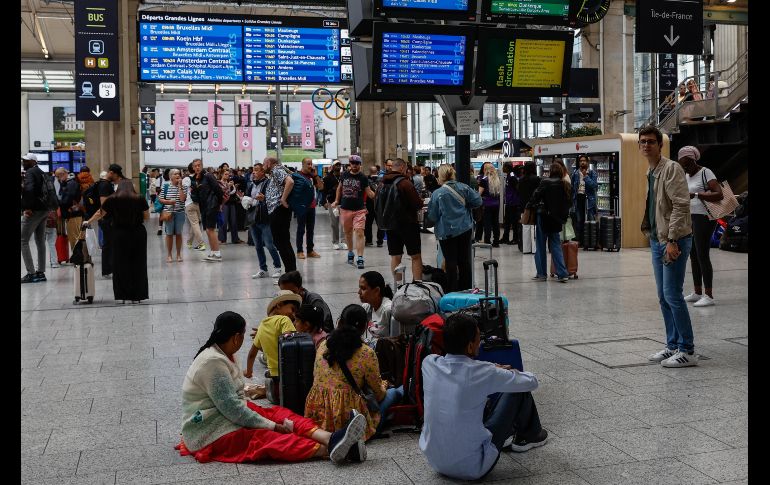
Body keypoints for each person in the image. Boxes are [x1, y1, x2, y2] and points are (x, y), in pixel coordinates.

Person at [177, 311, 368, 465]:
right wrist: (271, 426)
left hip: (225, 414)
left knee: (279, 414)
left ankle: (329, 437)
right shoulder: (213, 362)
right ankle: (331, 449)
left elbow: (232, 402)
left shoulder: (221, 354)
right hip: (210, 428)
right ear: (236, 337)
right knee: (264, 437)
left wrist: (271, 420)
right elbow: (232, 409)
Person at [419, 313, 548, 481]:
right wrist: (506, 372)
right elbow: (531, 382)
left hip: (435, 461)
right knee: (517, 391)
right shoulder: (483, 372)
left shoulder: (429, 363)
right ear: (470, 346)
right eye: (479, 338)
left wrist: (492, 369)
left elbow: (462, 373)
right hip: (473, 467)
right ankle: (531, 435)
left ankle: (512, 434)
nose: (480, 342)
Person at [638, 126, 697, 368]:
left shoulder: (671, 168)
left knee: (673, 294)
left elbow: (681, 206)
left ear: (660, 145)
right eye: (642, 142)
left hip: (674, 239)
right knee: (663, 296)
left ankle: (687, 350)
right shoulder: (651, 171)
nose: (646, 145)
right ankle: (672, 344)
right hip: (657, 239)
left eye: (651, 141)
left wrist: (672, 240)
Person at [305, 304, 404, 441]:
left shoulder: (323, 345)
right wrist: (385, 385)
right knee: (397, 391)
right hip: (349, 417)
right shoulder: (366, 353)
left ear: (339, 322)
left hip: (318, 417)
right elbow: (379, 394)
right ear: (364, 328)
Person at [83, 179, 149, 303]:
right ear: (132, 187)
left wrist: (88, 221)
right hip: (137, 233)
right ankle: (138, 296)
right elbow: (146, 216)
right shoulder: (139, 198)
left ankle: (122, 296)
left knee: (120, 264)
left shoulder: (112, 198)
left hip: (119, 233)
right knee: (138, 263)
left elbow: (100, 213)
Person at [677, 146, 723, 308]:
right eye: (682, 165)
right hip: (691, 217)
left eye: (688, 164)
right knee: (693, 255)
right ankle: (697, 292)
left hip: (705, 217)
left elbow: (719, 194)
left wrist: (696, 195)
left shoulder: (706, 172)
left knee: (702, 254)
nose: (686, 168)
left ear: (694, 160)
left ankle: (709, 295)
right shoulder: (686, 174)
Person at [427, 165, 483, 292]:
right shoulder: (463, 187)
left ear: (440, 176)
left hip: (447, 232)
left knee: (450, 262)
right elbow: (478, 201)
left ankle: (452, 291)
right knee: (464, 261)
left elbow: (433, 215)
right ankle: (467, 289)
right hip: (465, 228)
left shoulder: (437, 193)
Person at [526, 162, 571, 282]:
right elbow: (569, 202)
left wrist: (529, 206)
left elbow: (535, 196)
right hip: (557, 219)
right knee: (556, 245)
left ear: (550, 171)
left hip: (544, 217)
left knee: (540, 245)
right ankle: (562, 273)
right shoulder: (565, 184)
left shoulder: (545, 182)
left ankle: (541, 274)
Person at [380, 157, 424, 279]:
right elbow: (417, 204)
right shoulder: (405, 183)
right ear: (402, 167)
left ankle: (398, 286)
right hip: (408, 224)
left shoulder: (382, 183)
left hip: (390, 225)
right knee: (415, 256)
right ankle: (417, 285)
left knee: (395, 256)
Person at [245, 290, 301, 382]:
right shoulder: (284, 320)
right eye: (292, 309)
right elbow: (289, 342)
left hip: (274, 373)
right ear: (279, 305)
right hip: (289, 371)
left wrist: (249, 371)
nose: (294, 314)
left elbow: (252, 354)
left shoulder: (262, 325)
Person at [331, 155, 375, 270]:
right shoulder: (344, 175)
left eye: (357, 164)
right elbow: (339, 188)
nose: (355, 166)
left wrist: (377, 195)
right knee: (348, 233)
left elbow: (368, 191)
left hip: (359, 209)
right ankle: (350, 252)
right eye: (352, 163)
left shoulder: (363, 177)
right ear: (350, 164)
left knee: (360, 232)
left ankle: (360, 257)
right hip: (345, 209)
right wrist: (336, 200)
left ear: (360, 165)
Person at [246, 162, 282, 279]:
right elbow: (249, 198)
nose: (254, 172)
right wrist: (245, 200)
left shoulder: (268, 183)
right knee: (257, 245)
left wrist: (264, 199)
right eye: (253, 170)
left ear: (262, 172)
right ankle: (263, 269)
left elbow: (274, 199)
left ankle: (277, 267)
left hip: (264, 217)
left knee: (269, 244)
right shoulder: (251, 185)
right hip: (253, 217)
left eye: (256, 170)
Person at [21, 153, 50, 283]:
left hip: (34, 210)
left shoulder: (30, 172)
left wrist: (26, 207)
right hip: (44, 209)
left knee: (23, 240)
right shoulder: (42, 172)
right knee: (40, 241)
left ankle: (31, 273)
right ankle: (41, 273)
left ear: (33, 162)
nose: (23, 162)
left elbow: (29, 190)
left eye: (26, 161)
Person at [263, 156, 296, 273]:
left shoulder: (277, 170)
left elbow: (290, 182)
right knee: (283, 242)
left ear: (268, 163)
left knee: (282, 242)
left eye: (263, 164)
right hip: (277, 211)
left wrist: (283, 199)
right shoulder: (275, 172)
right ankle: (291, 271)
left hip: (279, 210)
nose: (263, 167)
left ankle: (290, 272)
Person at [192, 159, 224, 262]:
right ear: (193, 168)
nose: (197, 167)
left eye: (199, 165)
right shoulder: (196, 179)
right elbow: (196, 196)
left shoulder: (208, 176)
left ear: (202, 166)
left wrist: (218, 203)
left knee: (211, 229)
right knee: (207, 230)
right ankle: (213, 252)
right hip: (203, 207)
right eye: (195, 166)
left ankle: (217, 254)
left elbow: (218, 190)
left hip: (211, 205)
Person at [358, 271, 396, 345]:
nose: (359, 292)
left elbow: (396, 339)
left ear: (376, 291)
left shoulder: (388, 310)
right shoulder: (366, 307)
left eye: (363, 288)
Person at [297, 158, 323, 259]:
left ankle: (310, 250)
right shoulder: (297, 176)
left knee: (310, 230)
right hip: (301, 207)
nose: (310, 166)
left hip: (311, 206)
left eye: (311, 164)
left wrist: (316, 176)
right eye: (308, 164)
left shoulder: (312, 177)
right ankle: (299, 251)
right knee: (301, 229)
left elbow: (321, 188)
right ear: (302, 164)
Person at [158, 168, 187, 262]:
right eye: (175, 174)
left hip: (180, 213)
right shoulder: (166, 186)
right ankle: (169, 255)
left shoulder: (184, 187)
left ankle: (178, 254)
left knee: (179, 234)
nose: (177, 175)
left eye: (179, 174)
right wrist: (169, 202)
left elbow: (182, 199)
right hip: (168, 213)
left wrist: (180, 186)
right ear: (171, 177)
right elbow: (161, 199)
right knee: (169, 234)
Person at [571, 155, 598, 244]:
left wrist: (586, 176)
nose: (582, 162)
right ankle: (581, 240)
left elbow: (594, 185)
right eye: (581, 161)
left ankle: (592, 241)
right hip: (579, 198)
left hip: (589, 199)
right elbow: (572, 187)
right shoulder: (575, 173)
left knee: (590, 219)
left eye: (584, 161)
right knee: (579, 220)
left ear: (587, 162)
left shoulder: (592, 173)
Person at [55, 167, 84, 252]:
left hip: (74, 214)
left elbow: (67, 200)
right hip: (72, 214)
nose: (57, 179)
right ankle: (78, 258)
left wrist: (58, 202)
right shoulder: (69, 183)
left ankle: (78, 259)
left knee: (75, 237)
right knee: (74, 236)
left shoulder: (71, 184)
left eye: (58, 176)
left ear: (63, 174)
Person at [182, 161, 206, 252]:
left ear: (188, 170)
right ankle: (189, 242)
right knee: (196, 223)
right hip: (199, 203)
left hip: (189, 203)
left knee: (194, 223)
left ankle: (201, 243)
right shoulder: (199, 178)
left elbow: (183, 193)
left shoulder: (186, 179)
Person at [517, 162, 541, 254]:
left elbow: (518, 191)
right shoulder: (537, 179)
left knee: (525, 226)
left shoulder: (521, 179)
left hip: (524, 205)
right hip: (534, 205)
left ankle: (526, 248)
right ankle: (534, 248)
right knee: (534, 226)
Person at [322, 161, 346, 250]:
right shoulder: (327, 178)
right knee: (334, 223)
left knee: (344, 223)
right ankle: (335, 242)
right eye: (336, 165)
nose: (338, 166)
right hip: (332, 203)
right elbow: (323, 191)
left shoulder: (343, 176)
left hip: (343, 202)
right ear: (332, 166)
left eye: (340, 165)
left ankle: (343, 241)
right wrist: (323, 201)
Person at [478, 162, 502, 247]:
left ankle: (487, 241)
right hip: (496, 204)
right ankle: (496, 241)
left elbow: (479, 193)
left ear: (485, 170)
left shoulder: (484, 180)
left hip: (487, 204)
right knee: (495, 223)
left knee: (487, 223)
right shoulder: (497, 179)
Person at [219, 168, 244, 244]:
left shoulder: (230, 182)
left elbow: (233, 192)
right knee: (224, 221)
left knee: (233, 221)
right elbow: (223, 193)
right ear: (221, 175)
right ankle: (222, 239)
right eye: (225, 174)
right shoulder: (219, 183)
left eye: (228, 174)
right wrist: (228, 186)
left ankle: (235, 239)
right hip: (224, 203)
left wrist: (234, 187)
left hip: (232, 203)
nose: (227, 176)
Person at [500, 162, 521, 246]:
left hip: (513, 203)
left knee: (514, 222)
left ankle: (515, 238)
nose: (502, 168)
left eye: (503, 167)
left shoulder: (512, 177)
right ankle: (505, 237)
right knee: (507, 221)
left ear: (507, 167)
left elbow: (517, 189)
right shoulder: (508, 176)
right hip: (509, 202)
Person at [364, 166, 384, 248]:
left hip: (369, 204)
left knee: (368, 223)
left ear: (369, 171)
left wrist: (364, 204)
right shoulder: (382, 180)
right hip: (380, 205)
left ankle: (369, 241)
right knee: (380, 224)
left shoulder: (366, 180)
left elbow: (364, 193)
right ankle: (380, 241)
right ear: (377, 171)